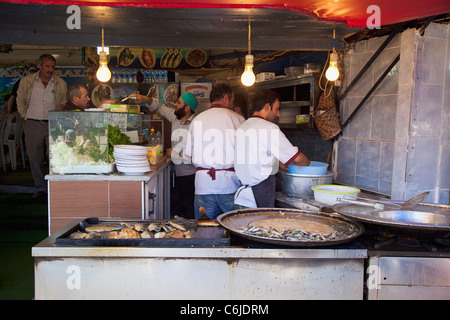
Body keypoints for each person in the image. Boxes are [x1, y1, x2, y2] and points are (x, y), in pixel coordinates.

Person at [234, 89, 310, 209]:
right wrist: (308, 165)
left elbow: (255, 156)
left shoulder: (243, 127)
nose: (278, 114)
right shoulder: (269, 128)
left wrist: (277, 162)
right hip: (259, 195)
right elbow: (297, 158)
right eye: (277, 109)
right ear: (267, 107)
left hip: (243, 198)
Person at [130, 91, 199, 219]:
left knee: (189, 210)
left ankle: (190, 237)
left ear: (187, 108)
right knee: (177, 211)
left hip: (190, 176)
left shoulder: (197, 124)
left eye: (179, 102)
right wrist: (145, 98)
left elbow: (198, 155)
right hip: (175, 173)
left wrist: (175, 154)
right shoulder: (175, 117)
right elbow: (159, 107)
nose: (175, 104)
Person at [185, 83, 245, 220]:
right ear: (225, 98)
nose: (232, 104)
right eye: (232, 100)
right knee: (233, 229)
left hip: (204, 185)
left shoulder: (196, 120)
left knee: (205, 231)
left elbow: (189, 155)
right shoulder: (238, 119)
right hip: (230, 185)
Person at [16, 54, 67, 199]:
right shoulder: (26, 82)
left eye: (53, 67)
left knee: (55, 157)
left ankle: (55, 186)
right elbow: (19, 100)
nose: (50, 69)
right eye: (47, 66)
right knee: (35, 158)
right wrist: (25, 115)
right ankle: (41, 188)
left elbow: (63, 99)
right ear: (40, 66)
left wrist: (61, 105)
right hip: (32, 123)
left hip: (53, 123)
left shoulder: (60, 83)